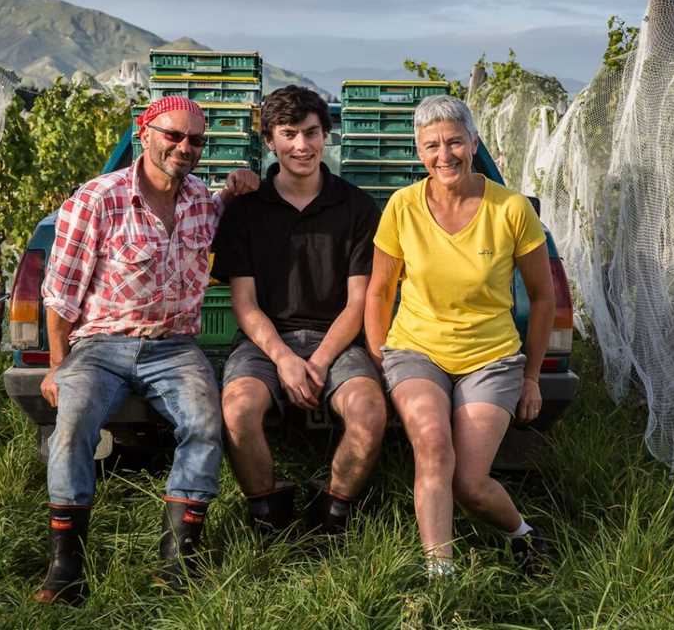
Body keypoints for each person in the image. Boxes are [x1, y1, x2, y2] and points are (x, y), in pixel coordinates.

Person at [34, 95, 259, 604]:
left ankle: (178, 561)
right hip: (99, 343)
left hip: (174, 345)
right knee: (72, 425)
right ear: (146, 133)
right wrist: (55, 366)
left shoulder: (204, 202)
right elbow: (61, 291)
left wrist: (241, 186)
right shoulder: (98, 199)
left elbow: (236, 219)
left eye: (195, 140)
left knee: (204, 423)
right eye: (173, 135)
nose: (184, 146)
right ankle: (65, 566)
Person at [363, 94, 556, 577]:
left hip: (490, 358)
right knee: (432, 444)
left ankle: (523, 535)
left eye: (454, 142)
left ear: (473, 142)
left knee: (470, 483)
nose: (444, 155)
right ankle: (441, 578)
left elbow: (543, 297)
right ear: (419, 152)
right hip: (416, 350)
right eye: (431, 145)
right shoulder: (402, 207)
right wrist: (380, 358)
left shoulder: (510, 208)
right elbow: (380, 292)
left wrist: (531, 377)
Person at [211, 85, 387, 535]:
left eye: (311, 133)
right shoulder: (247, 210)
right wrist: (286, 360)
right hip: (264, 341)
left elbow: (357, 303)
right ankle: (269, 507)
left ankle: (333, 510)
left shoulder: (357, 207)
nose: (302, 146)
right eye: (288, 134)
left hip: (336, 338)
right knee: (236, 410)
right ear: (269, 140)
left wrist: (320, 361)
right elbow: (245, 306)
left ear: (327, 135)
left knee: (369, 412)